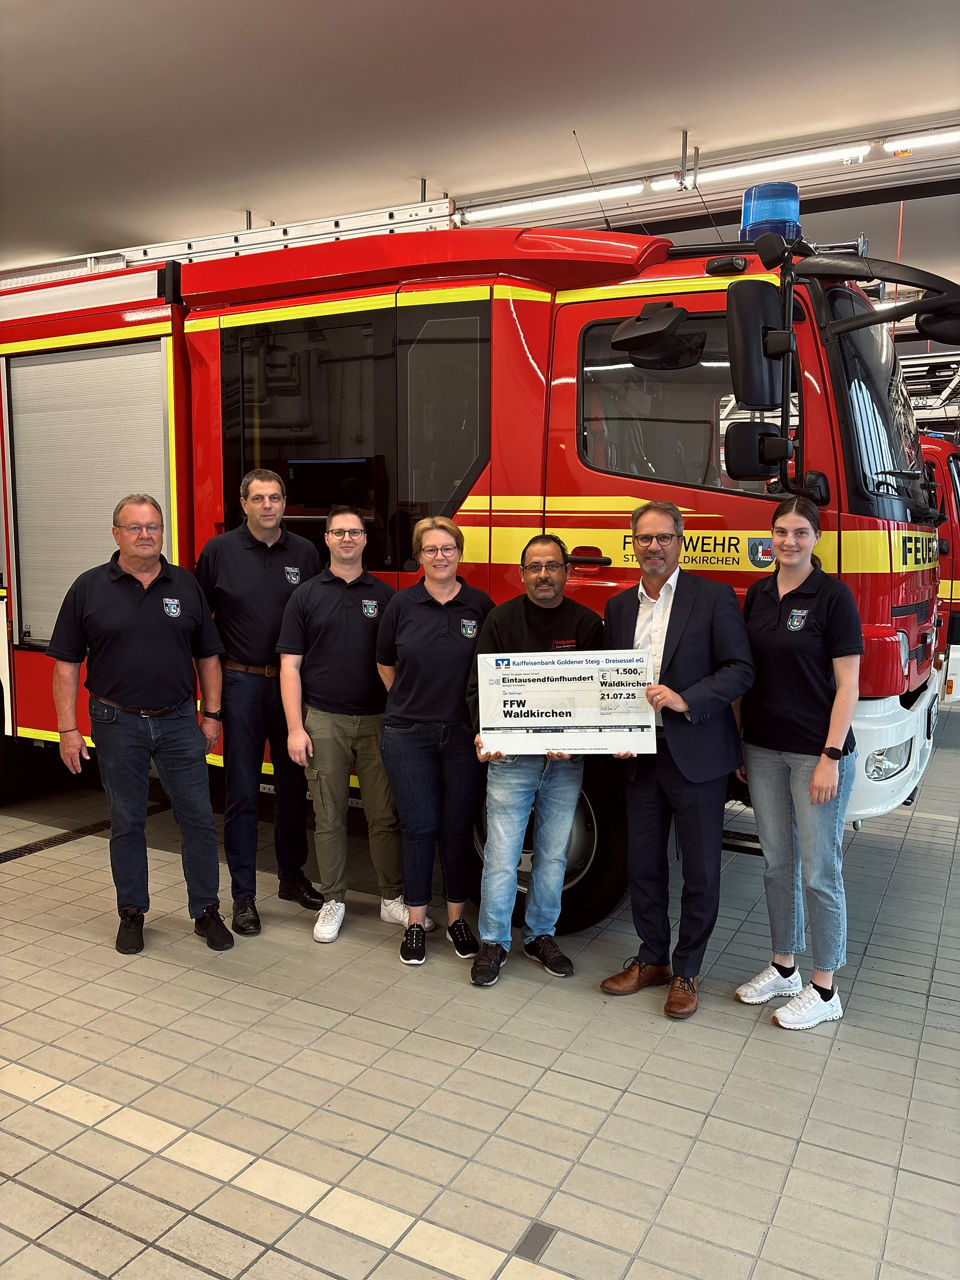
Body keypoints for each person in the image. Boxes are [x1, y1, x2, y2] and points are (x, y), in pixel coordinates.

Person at [48, 494, 233, 955]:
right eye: (135, 527)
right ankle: (132, 912)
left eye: (153, 526)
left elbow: (207, 655)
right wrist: (67, 729)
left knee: (197, 819)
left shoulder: (186, 585)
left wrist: (211, 714)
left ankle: (206, 910)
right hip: (115, 721)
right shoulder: (88, 587)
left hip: (177, 720)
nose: (146, 535)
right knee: (127, 821)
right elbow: (67, 663)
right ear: (116, 534)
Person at [600, 501, 753, 1018]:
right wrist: (611, 728)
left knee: (702, 871)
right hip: (640, 757)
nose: (654, 547)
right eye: (644, 538)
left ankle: (687, 970)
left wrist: (688, 699)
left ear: (680, 540)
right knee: (642, 866)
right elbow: (609, 682)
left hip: (697, 754)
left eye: (664, 537)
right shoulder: (619, 608)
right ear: (633, 543)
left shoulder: (712, 598)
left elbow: (739, 669)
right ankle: (651, 960)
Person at [735, 496, 862, 1029]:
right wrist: (742, 741)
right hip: (763, 750)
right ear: (771, 536)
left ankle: (825, 988)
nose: (790, 541)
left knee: (820, 872)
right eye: (782, 532)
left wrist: (830, 755)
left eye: (801, 532)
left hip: (817, 753)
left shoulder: (833, 597)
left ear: (816, 538)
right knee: (777, 865)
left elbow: (848, 684)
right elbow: (743, 671)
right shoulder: (758, 594)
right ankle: (784, 966)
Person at [278, 506, 425, 942]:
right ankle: (333, 899)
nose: (347, 539)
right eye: (339, 532)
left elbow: (401, 661)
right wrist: (295, 728)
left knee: (384, 815)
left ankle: (391, 899)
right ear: (326, 539)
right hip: (323, 720)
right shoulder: (304, 596)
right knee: (328, 817)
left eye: (355, 532)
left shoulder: (386, 596)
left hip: (381, 721)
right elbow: (290, 666)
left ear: (365, 539)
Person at [467, 535, 603, 987]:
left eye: (551, 566)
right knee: (503, 857)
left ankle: (540, 935)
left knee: (552, 857)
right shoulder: (500, 620)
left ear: (567, 570)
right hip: (512, 761)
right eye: (534, 567)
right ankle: (493, 941)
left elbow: (599, 695)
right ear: (521, 573)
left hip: (566, 762)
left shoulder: (587, 624)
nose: (543, 574)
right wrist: (484, 734)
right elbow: (479, 688)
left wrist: (582, 737)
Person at [196, 468, 322, 937]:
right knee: (244, 792)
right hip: (241, 683)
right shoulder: (219, 552)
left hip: (292, 687)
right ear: (243, 503)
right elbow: (199, 622)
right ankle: (244, 896)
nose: (268, 506)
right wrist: (207, 697)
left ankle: (291, 877)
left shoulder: (305, 553)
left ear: (285, 502)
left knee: (293, 789)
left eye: (275, 497)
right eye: (258, 498)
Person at [377, 517, 494, 966]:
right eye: (430, 550)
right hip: (407, 734)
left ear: (460, 554)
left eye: (447, 548)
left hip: (464, 734)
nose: (440, 556)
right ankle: (414, 923)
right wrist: (411, 703)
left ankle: (458, 919)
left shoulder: (479, 605)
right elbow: (386, 663)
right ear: (418, 556)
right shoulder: (401, 605)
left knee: (457, 829)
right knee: (419, 828)